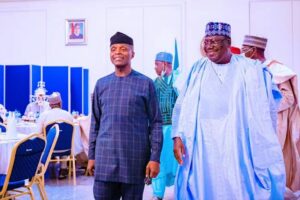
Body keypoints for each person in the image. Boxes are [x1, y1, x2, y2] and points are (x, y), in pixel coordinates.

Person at [172, 22, 286, 199]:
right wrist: (177, 135)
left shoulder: (251, 70)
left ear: (228, 42)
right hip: (202, 144)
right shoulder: (196, 70)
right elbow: (181, 105)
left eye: (214, 41)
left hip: (239, 144)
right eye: (206, 41)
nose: (208, 45)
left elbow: (270, 106)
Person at [87, 32, 163, 200]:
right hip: (105, 160)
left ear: (132, 54)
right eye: (113, 49)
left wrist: (155, 157)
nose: (118, 52)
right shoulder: (101, 84)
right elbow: (95, 123)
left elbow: (156, 122)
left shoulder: (145, 83)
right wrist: (91, 155)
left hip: (134, 161)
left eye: (123, 49)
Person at [242, 34, 300, 198]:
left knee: (275, 162)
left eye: (244, 50)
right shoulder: (252, 69)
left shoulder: (275, 70)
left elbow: (288, 98)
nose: (241, 53)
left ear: (253, 51)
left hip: (275, 125)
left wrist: (264, 110)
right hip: (257, 126)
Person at [152, 52, 178, 200]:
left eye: (157, 63)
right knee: (159, 160)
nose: (155, 67)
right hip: (159, 129)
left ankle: (181, 191)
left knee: (178, 162)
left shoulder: (178, 82)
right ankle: (157, 194)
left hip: (176, 130)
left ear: (166, 64)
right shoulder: (154, 84)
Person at [37, 92, 74, 179]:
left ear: (49, 105)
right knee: (63, 138)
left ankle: (39, 167)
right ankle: (63, 168)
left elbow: (38, 133)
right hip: (67, 149)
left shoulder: (44, 115)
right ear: (60, 103)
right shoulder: (68, 115)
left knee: (45, 139)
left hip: (49, 149)